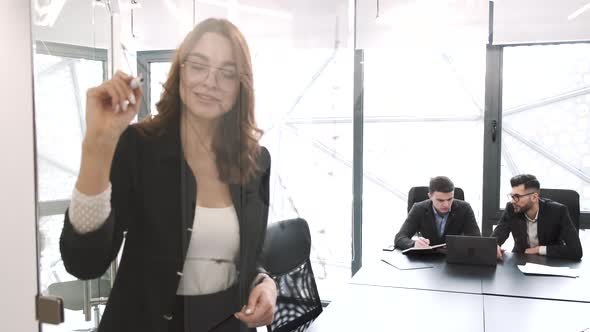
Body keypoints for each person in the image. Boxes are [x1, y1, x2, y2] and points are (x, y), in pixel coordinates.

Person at [59, 18, 276, 332]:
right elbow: (84, 263)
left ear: (240, 85)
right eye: (199, 66)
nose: (211, 82)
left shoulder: (257, 161)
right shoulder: (139, 147)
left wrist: (264, 281)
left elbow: (243, 254)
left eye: (227, 73)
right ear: (181, 72)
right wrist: (97, 146)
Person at [492, 174, 582, 261]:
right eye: (512, 196)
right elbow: (496, 237)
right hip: (520, 261)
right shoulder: (511, 209)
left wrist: (539, 249)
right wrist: (495, 246)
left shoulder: (558, 211)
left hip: (550, 262)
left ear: (534, 197)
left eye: (517, 197)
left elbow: (576, 250)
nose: (513, 201)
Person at [394, 176, 481, 250]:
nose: (446, 205)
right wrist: (414, 244)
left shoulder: (465, 208)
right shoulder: (419, 208)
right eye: (440, 200)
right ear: (430, 196)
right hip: (427, 260)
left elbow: (477, 240)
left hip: (454, 258)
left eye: (450, 199)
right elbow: (400, 238)